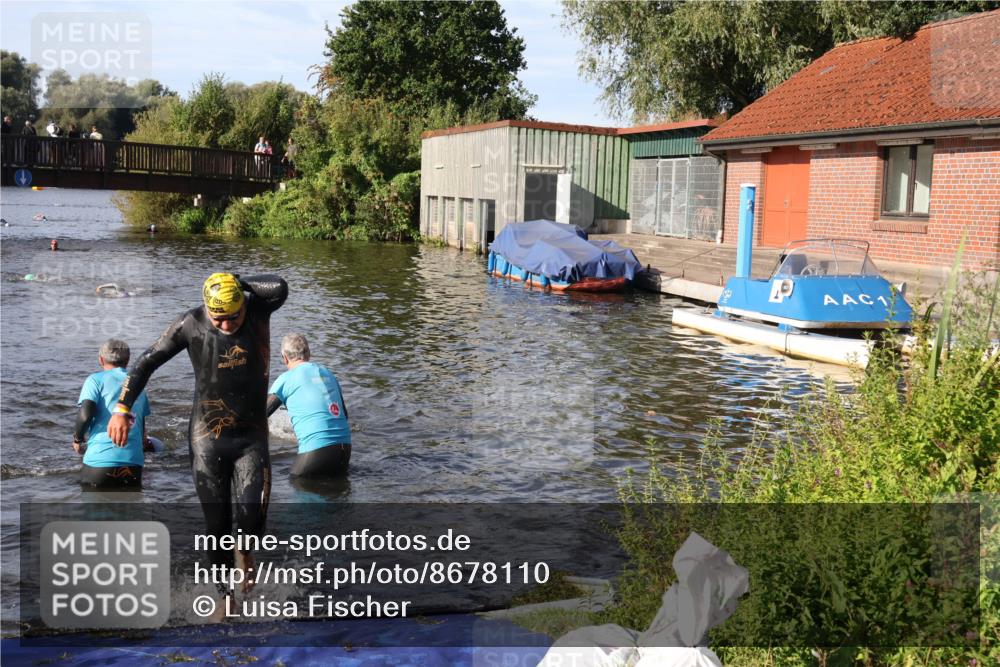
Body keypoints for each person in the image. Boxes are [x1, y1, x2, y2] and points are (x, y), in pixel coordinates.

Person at [107, 272, 288, 609]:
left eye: (234, 315)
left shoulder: (258, 308)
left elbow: (279, 285)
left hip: (251, 437)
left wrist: (235, 281)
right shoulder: (190, 323)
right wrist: (121, 408)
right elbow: (147, 361)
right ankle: (225, 597)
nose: (226, 324)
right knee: (216, 523)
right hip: (207, 439)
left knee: (252, 518)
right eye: (218, 317)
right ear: (207, 307)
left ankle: (245, 552)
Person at [267, 333, 352, 478]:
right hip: (345, 450)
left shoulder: (286, 379)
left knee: (295, 483)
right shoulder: (328, 373)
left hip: (317, 452)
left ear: (284, 358)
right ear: (309, 354)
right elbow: (344, 415)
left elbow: (259, 415)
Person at [74, 339, 151, 489]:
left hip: (99, 463)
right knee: (129, 510)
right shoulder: (138, 384)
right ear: (127, 360)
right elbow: (141, 426)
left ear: (101, 359)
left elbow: (85, 414)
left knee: (94, 509)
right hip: (133, 464)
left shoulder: (95, 380)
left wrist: (77, 439)